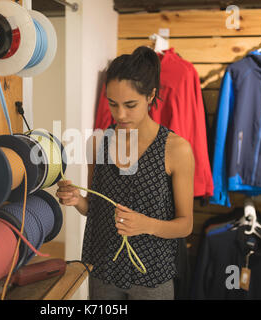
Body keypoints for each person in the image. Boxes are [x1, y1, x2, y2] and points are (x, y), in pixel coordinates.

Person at [56, 46, 195, 300]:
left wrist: (146, 225)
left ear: (151, 95)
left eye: (130, 105)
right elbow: (95, 210)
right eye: (113, 104)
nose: (120, 114)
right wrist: (78, 201)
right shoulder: (97, 144)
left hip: (151, 275)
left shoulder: (176, 149)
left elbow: (185, 225)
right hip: (104, 269)